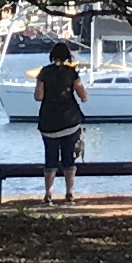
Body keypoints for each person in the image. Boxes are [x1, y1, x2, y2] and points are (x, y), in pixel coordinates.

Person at [33, 38, 87, 200]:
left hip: (48, 122)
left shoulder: (44, 72)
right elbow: (83, 96)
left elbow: (38, 97)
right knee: (68, 158)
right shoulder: (72, 73)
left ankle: (48, 193)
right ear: (67, 56)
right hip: (69, 121)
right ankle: (69, 192)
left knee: (50, 159)